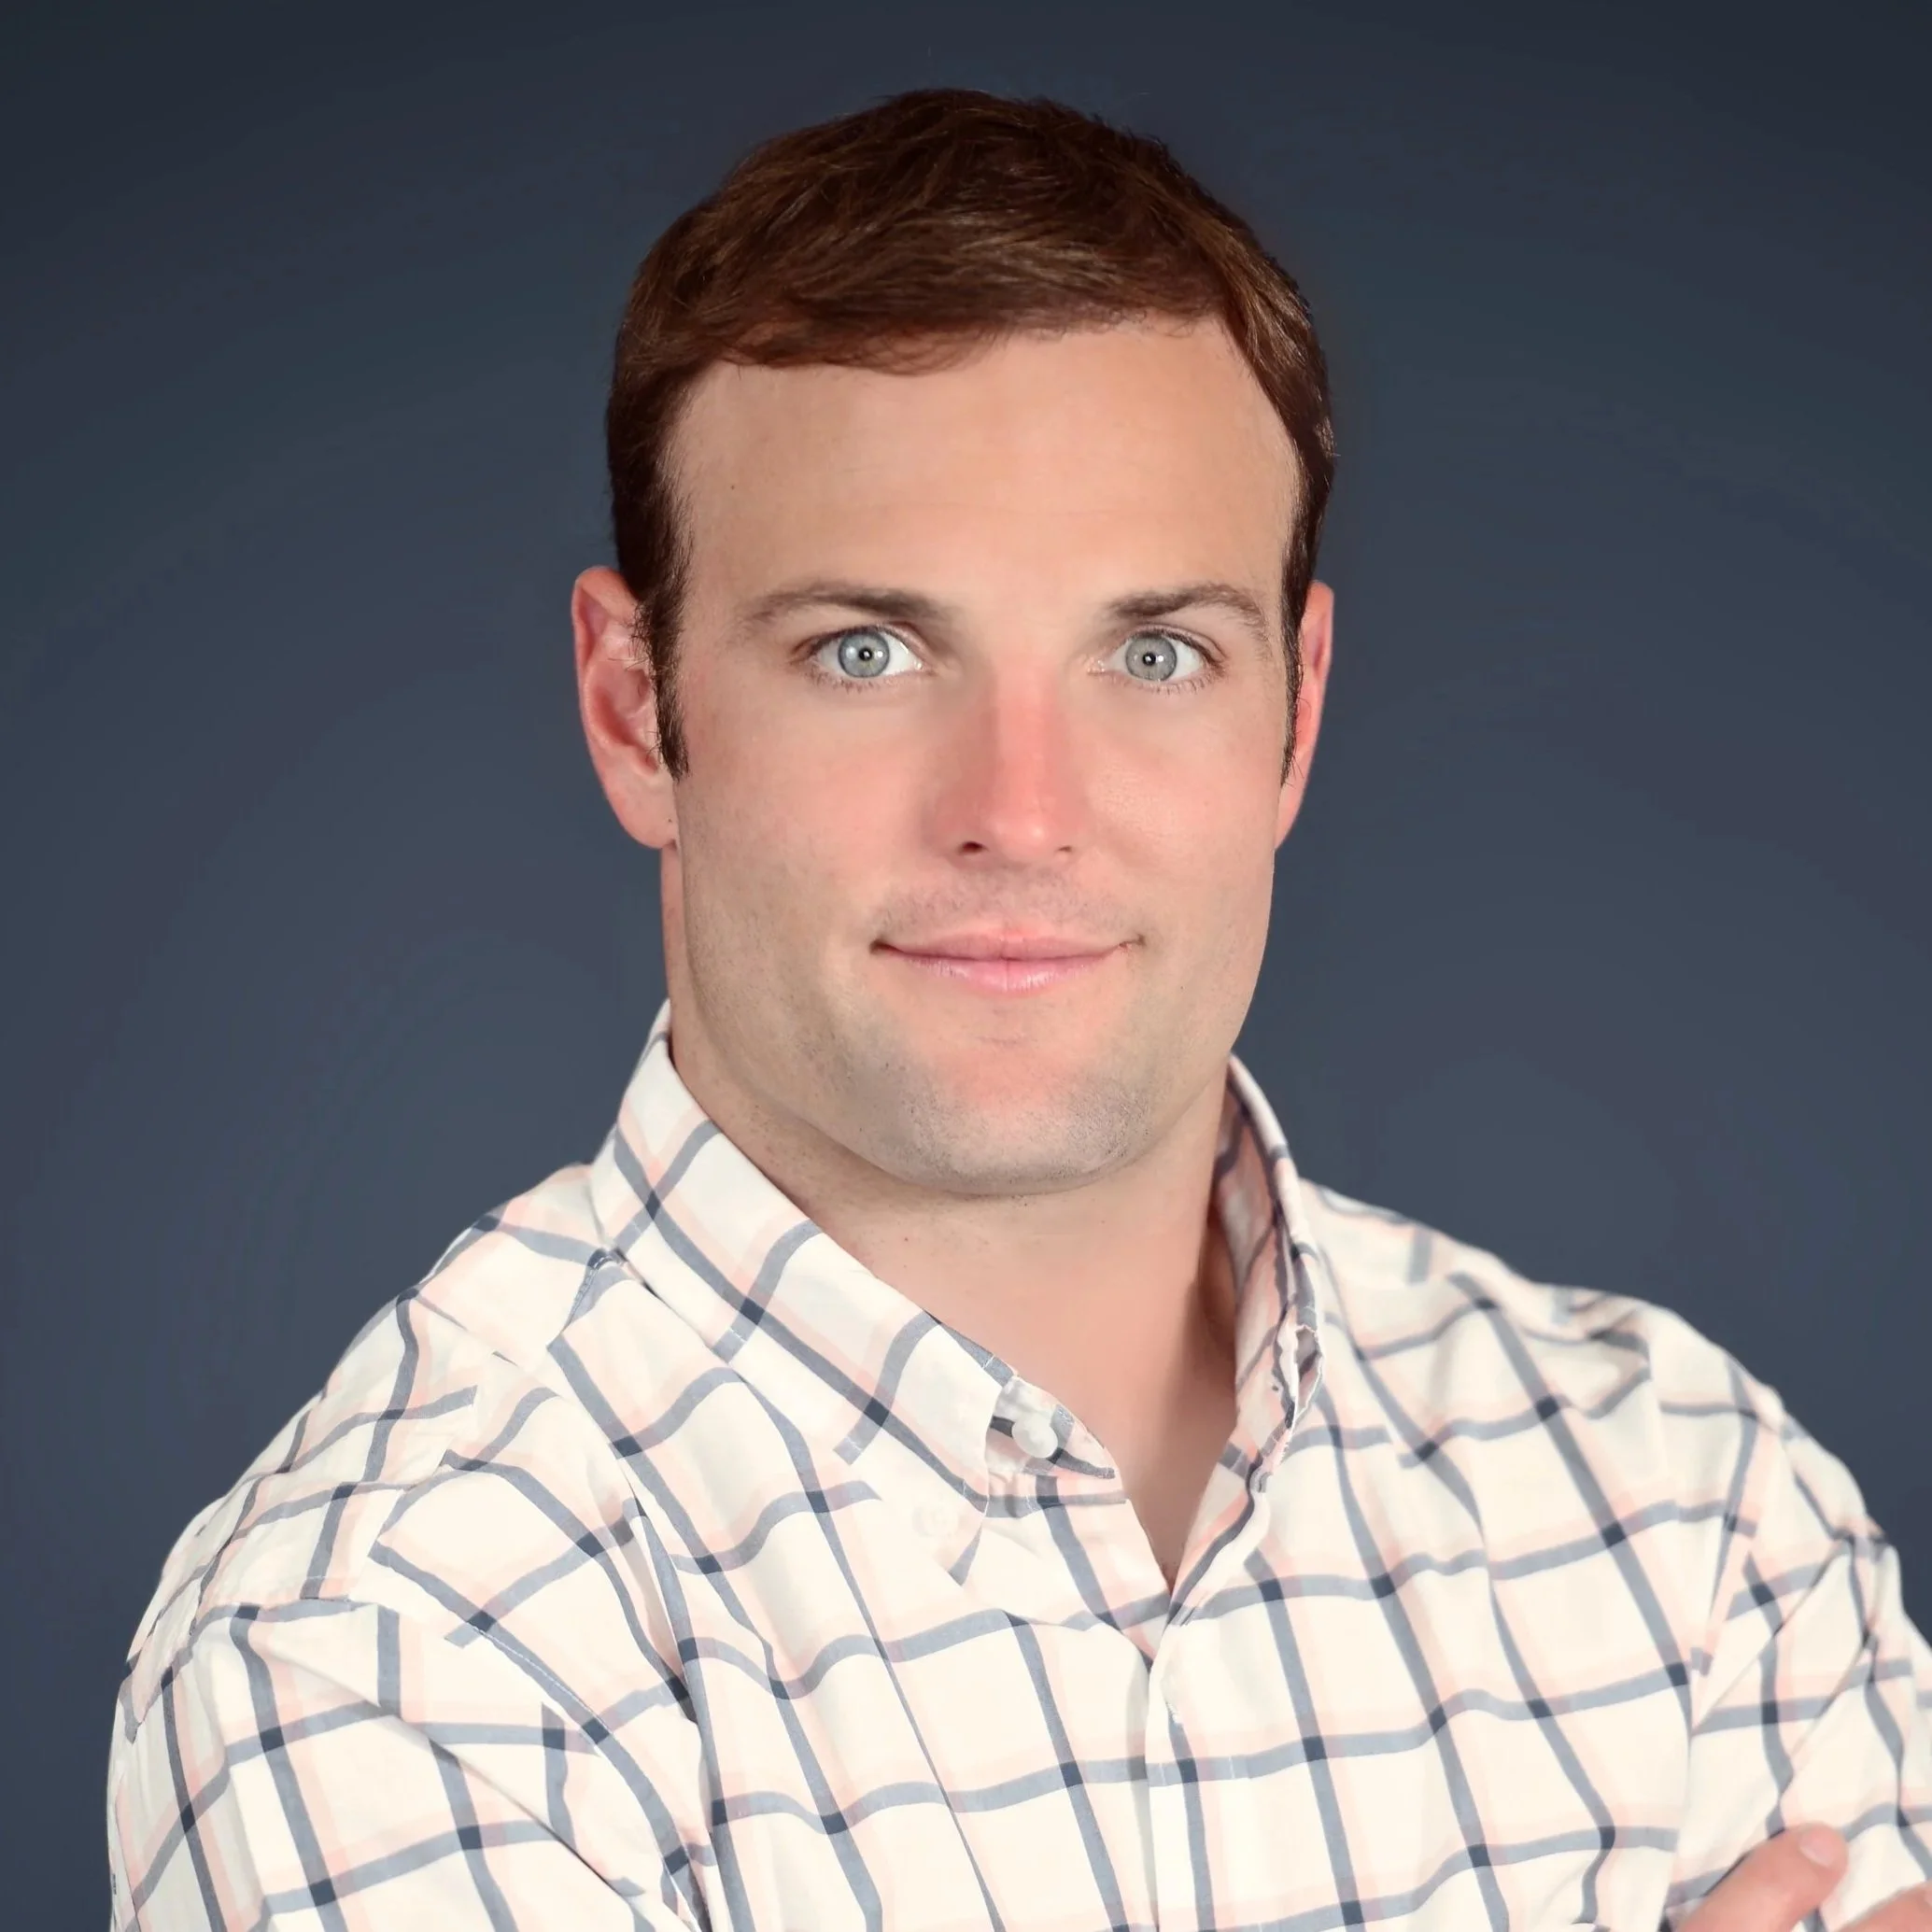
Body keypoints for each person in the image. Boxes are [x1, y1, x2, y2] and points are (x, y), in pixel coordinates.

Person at [106, 90, 1931, 1932]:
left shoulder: (1687, 1503)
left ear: (1294, 711)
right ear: (635, 709)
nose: (1021, 808)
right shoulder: (383, 1649)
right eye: (865, 650)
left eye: (1153, 652)